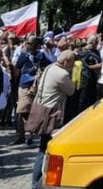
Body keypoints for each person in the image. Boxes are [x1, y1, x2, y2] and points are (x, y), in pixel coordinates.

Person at [30, 50, 77, 189]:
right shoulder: (62, 74)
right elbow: (71, 91)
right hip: (51, 114)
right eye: (72, 62)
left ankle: (37, 181)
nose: (73, 65)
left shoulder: (50, 67)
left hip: (41, 108)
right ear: (66, 62)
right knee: (44, 149)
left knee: (43, 148)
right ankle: (37, 183)